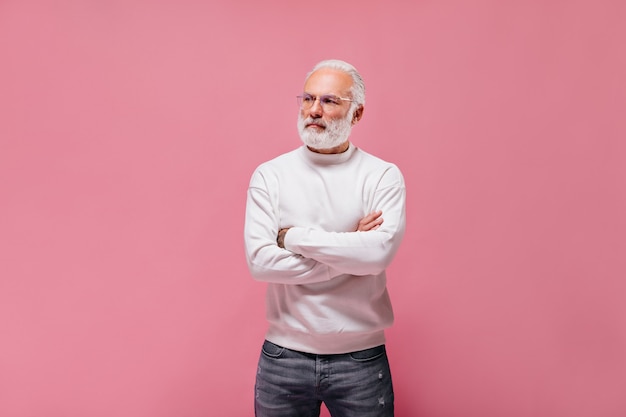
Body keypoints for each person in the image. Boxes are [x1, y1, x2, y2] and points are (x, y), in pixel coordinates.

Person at [244, 59, 406, 417]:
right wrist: (348, 250)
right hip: (283, 356)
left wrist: (293, 237)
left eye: (330, 101)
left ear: (357, 113)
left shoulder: (382, 176)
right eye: (307, 99)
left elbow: (377, 255)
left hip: (361, 359)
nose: (314, 110)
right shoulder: (270, 176)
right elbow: (260, 262)